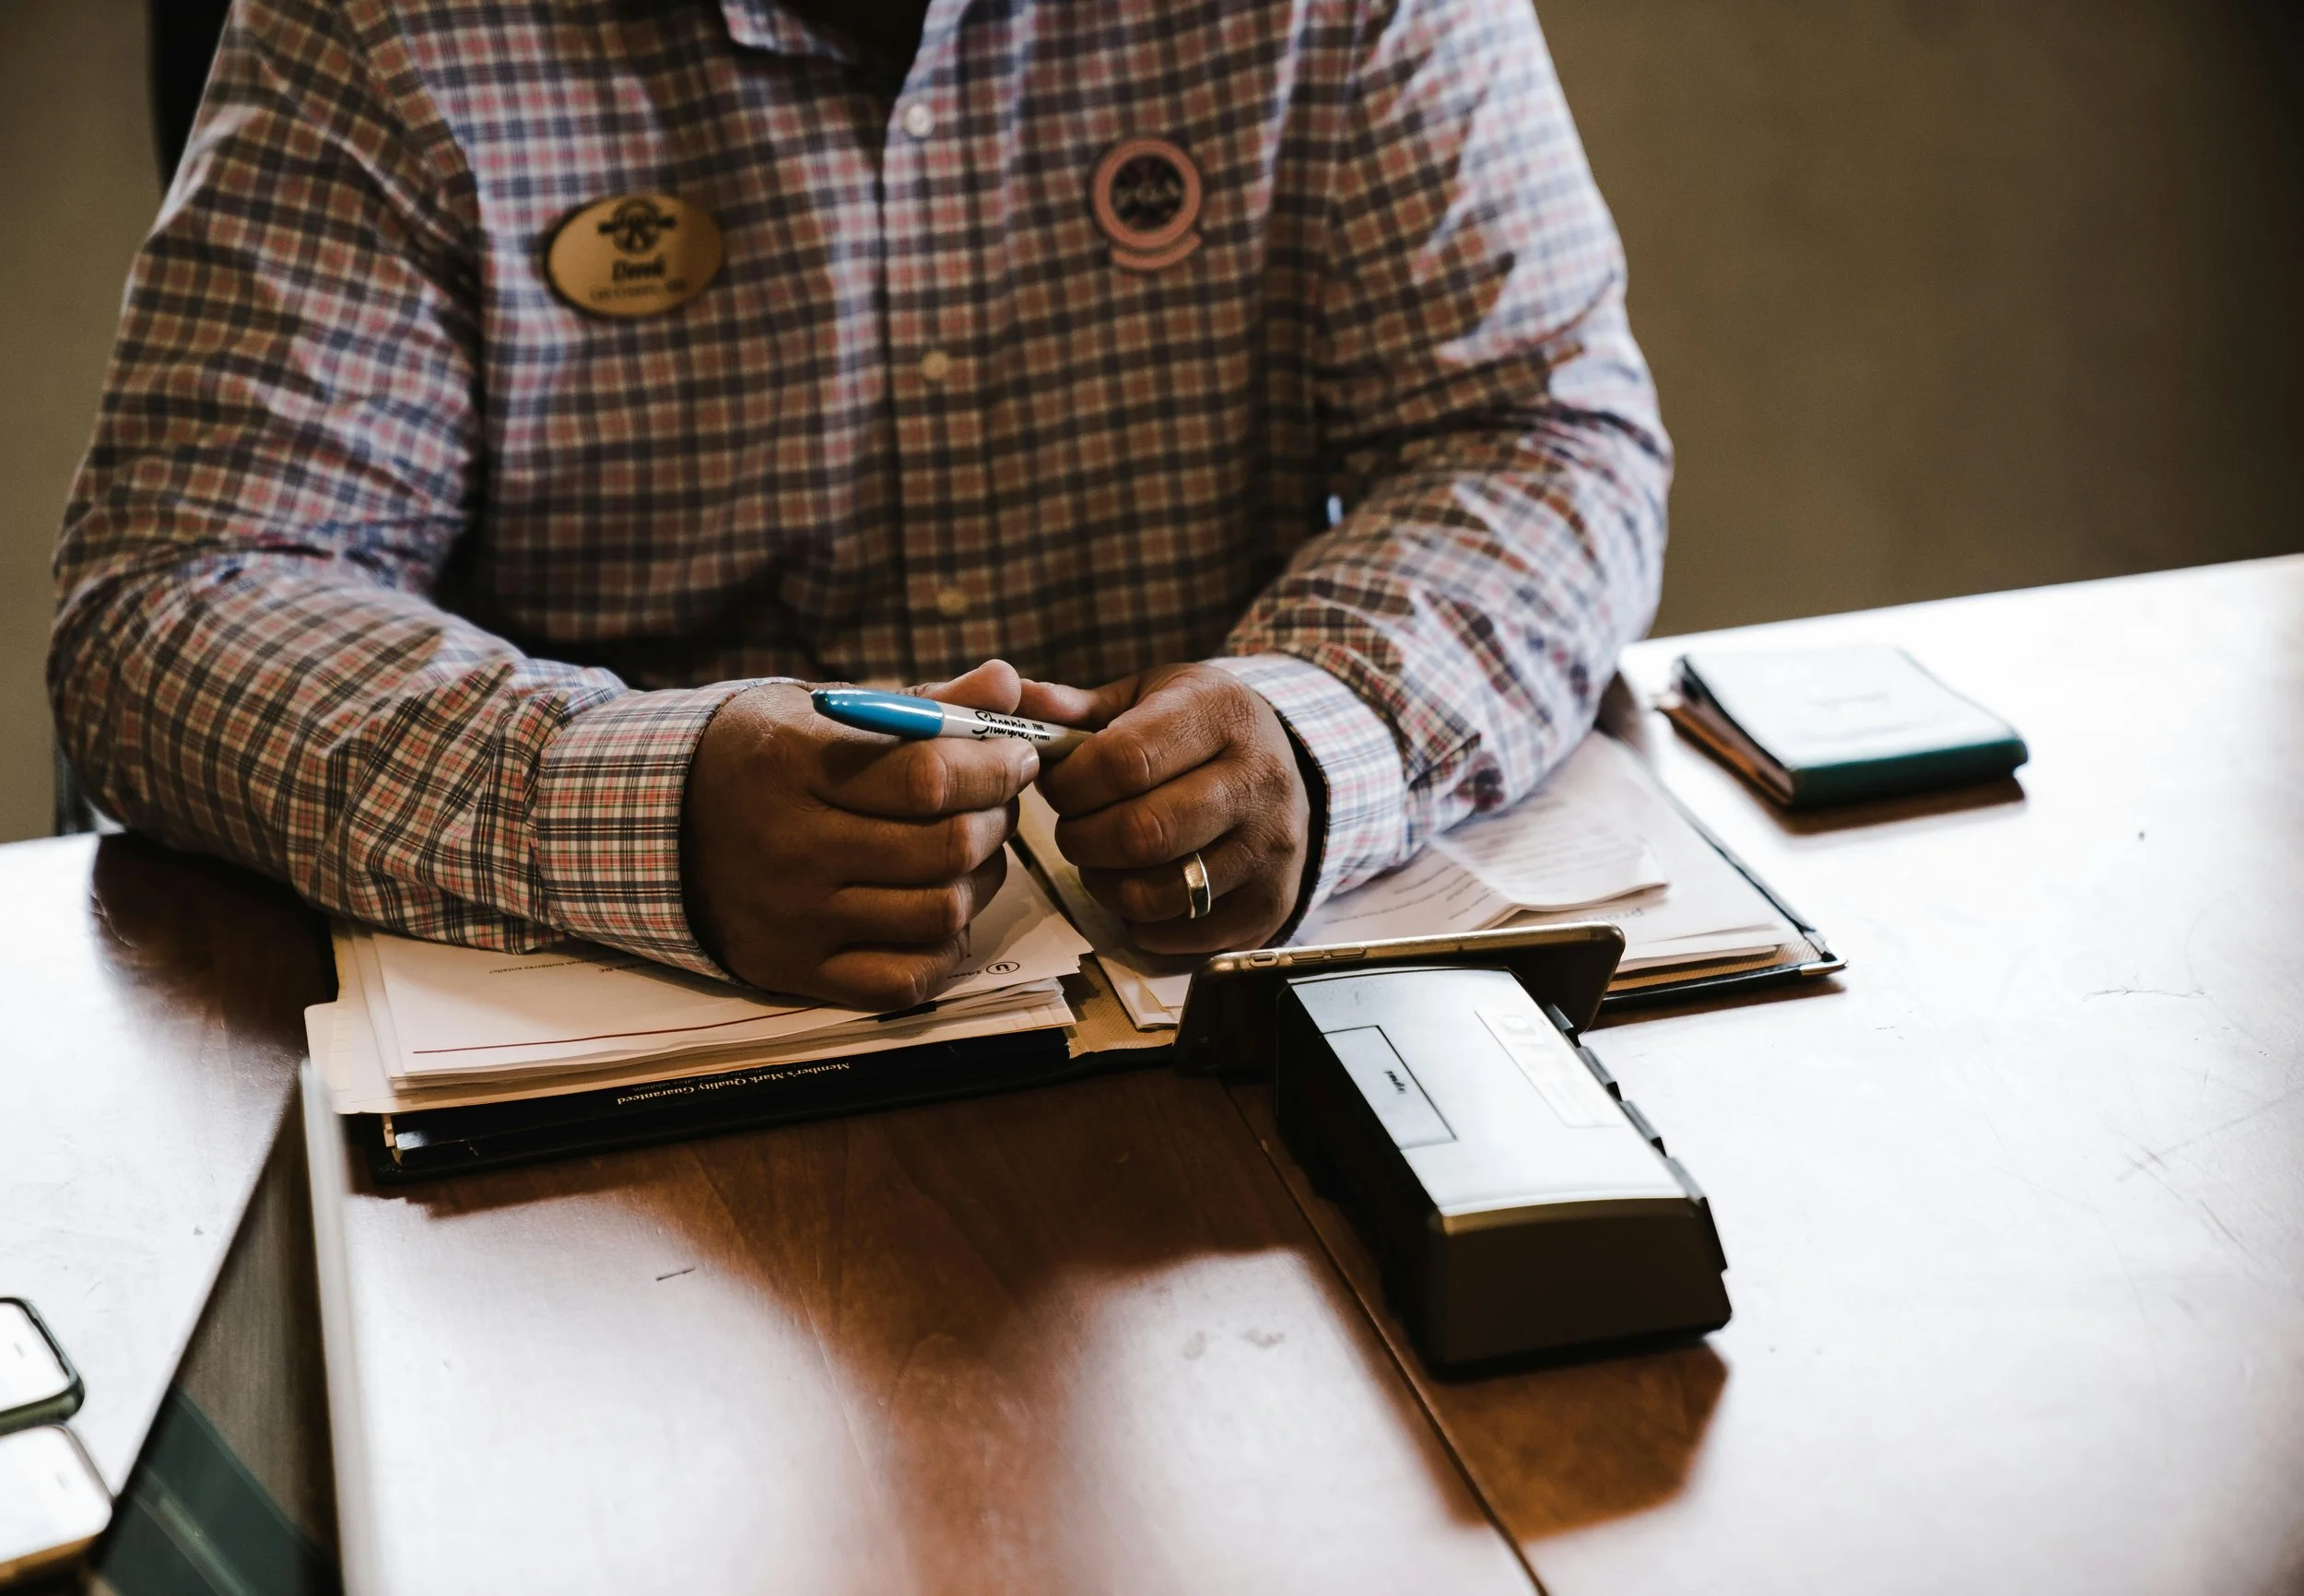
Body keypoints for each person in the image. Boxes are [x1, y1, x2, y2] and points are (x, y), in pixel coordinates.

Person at [52, 0, 1669, 1010]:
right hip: (591, 1121)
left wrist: (1324, 738)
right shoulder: (385, 21)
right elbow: (179, 590)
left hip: (1220, 1037)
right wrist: (648, 812)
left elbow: (1540, 429)